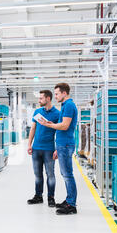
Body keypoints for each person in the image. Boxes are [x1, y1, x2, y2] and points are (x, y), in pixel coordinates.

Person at [37, 83, 78, 215]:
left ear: (64, 93)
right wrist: (52, 124)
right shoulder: (65, 105)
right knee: (65, 174)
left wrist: (49, 126)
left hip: (65, 144)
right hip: (62, 144)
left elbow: (65, 126)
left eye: (57, 94)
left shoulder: (69, 105)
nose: (55, 96)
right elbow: (62, 124)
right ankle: (69, 200)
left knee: (67, 175)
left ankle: (71, 205)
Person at [27, 90, 60, 207]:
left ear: (48, 99)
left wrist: (57, 149)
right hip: (36, 148)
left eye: (41, 98)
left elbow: (60, 132)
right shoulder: (37, 112)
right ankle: (38, 196)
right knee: (37, 174)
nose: (39, 100)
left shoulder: (57, 114)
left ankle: (51, 197)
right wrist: (29, 144)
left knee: (50, 174)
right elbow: (33, 129)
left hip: (49, 149)